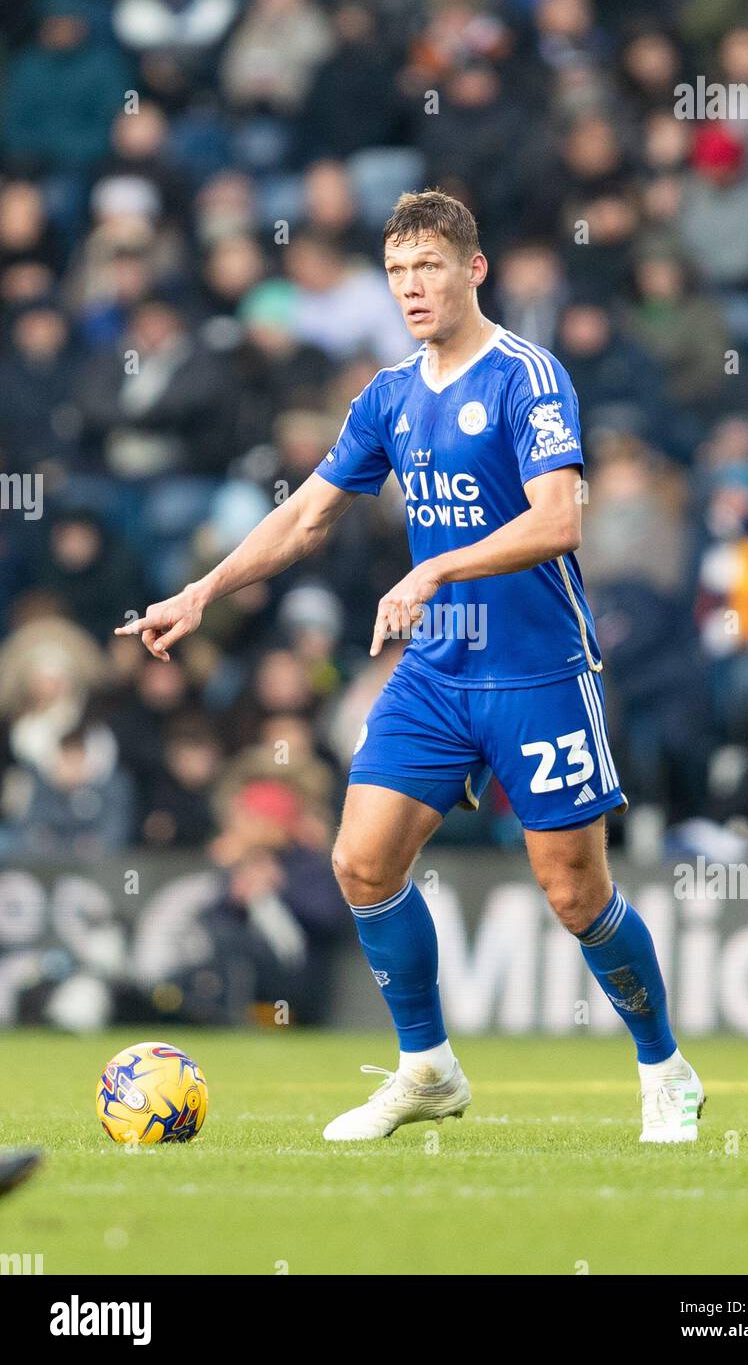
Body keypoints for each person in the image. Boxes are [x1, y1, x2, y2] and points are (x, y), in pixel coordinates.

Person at [117, 190, 703, 1145]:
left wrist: (434, 566)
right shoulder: (389, 395)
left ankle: (663, 1068)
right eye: (396, 271)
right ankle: (427, 1068)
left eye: (428, 266)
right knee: (360, 860)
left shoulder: (528, 376)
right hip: (436, 671)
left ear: (474, 269)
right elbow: (307, 515)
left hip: (538, 670)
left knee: (574, 893)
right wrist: (202, 591)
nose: (411, 287)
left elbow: (560, 521)